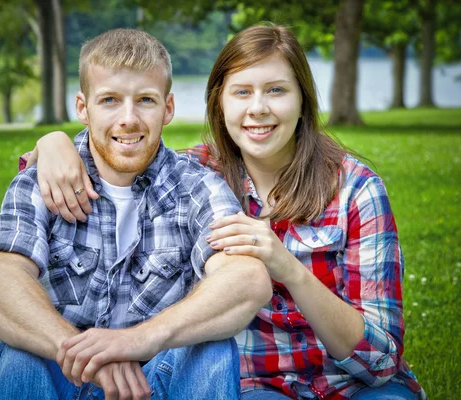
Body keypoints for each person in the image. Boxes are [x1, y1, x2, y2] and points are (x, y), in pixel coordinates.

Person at [24, 24, 426, 400]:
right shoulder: (197, 175)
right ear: (219, 101)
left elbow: (380, 360)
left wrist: (289, 268)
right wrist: (53, 143)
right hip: (257, 385)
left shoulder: (356, 188)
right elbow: (118, 153)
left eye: (276, 90)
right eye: (242, 92)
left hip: (358, 385)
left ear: (303, 100)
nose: (258, 109)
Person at [0, 28, 273, 400]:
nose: (128, 118)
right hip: (63, 372)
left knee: (213, 349)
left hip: (155, 380)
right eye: (110, 100)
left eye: (145, 100)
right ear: (83, 108)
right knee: (21, 357)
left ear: (168, 108)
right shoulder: (43, 180)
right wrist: (88, 354)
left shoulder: (197, 186)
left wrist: (133, 342)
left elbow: (247, 280)